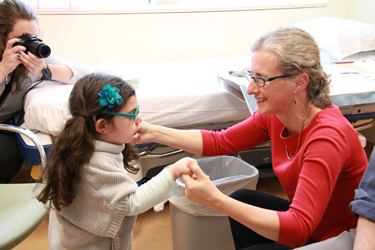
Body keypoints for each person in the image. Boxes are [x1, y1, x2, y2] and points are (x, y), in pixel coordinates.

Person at [132, 27, 368, 249]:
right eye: (251, 76)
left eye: (262, 79)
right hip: (313, 224)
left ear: (299, 82)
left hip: (347, 238)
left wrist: (215, 200)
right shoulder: (278, 115)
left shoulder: (327, 137)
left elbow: (298, 227)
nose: (252, 89)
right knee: (243, 199)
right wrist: (154, 132)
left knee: (241, 215)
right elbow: (220, 141)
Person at [37, 72, 195, 249]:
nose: (138, 119)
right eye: (131, 115)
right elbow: (132, 202)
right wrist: (172, 172)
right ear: (103, 125)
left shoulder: (83, 144)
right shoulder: (95, 163)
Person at [0, 0, 86, 183]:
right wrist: (3, 69)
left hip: (4, 128)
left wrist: (45, 70)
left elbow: (83, 73)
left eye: (34, 38)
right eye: (23, 39)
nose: (29, 44)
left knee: (6, 152)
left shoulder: (33, 55)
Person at [294, 147, 375, 250]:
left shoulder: (327, 144)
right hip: (367, 234)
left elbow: (297, 224)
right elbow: (370, 203)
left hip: (325, 229)